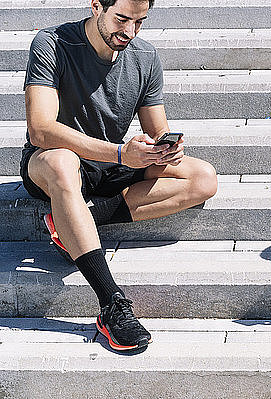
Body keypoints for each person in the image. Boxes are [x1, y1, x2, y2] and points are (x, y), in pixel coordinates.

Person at [20, 0, 218, 351]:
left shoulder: (144, 56)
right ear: (97, 6)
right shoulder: (53, 43)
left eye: (140, 22)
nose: (129, 32)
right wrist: (118, 153)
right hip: (53, 164)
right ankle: (112, 304)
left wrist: (165, 149)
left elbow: (158, 130)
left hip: (113, 163)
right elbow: (40, 130)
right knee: (63, 163)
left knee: (203, 178)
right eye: (121, 19)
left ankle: (76, 220)